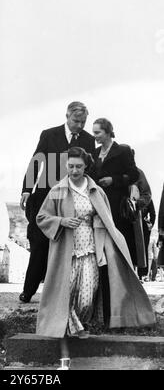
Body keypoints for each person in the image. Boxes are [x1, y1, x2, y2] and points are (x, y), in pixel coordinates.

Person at [36, 147, 155, 370]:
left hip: (91, 250)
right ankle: (64, 357)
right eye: (70, 166)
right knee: (64, 300)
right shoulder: (59, 190)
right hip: (66, 254)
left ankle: (73, 327)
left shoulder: (96, 191)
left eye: (78, 166)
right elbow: (42, 217)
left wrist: (104, 237)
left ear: (86, 166)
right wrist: (61, 221)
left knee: (86, 299)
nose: (74, 170)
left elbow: (106, 220)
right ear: (66, 166)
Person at [19, 102, 95, 303]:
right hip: (46, 195)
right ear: (67, 116)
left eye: (83, 122)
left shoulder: (88, 140)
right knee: (39, 243)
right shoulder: (49, 134)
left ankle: (64, 295)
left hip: (73, 198)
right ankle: (28, 290)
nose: (79, 125)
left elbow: (91, 170)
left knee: (69, 245)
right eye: (76, 121)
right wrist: (27, 189)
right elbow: (36, 162)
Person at [91, 119, 139, 267]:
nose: (95, 136)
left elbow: (134, 175)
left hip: (117, 205)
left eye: (97, 132)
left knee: (118, 241)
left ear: (107, 132)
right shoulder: (95, 152)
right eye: (94, 132)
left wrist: (113, 180)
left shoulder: (123, 151)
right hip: (99, 204)